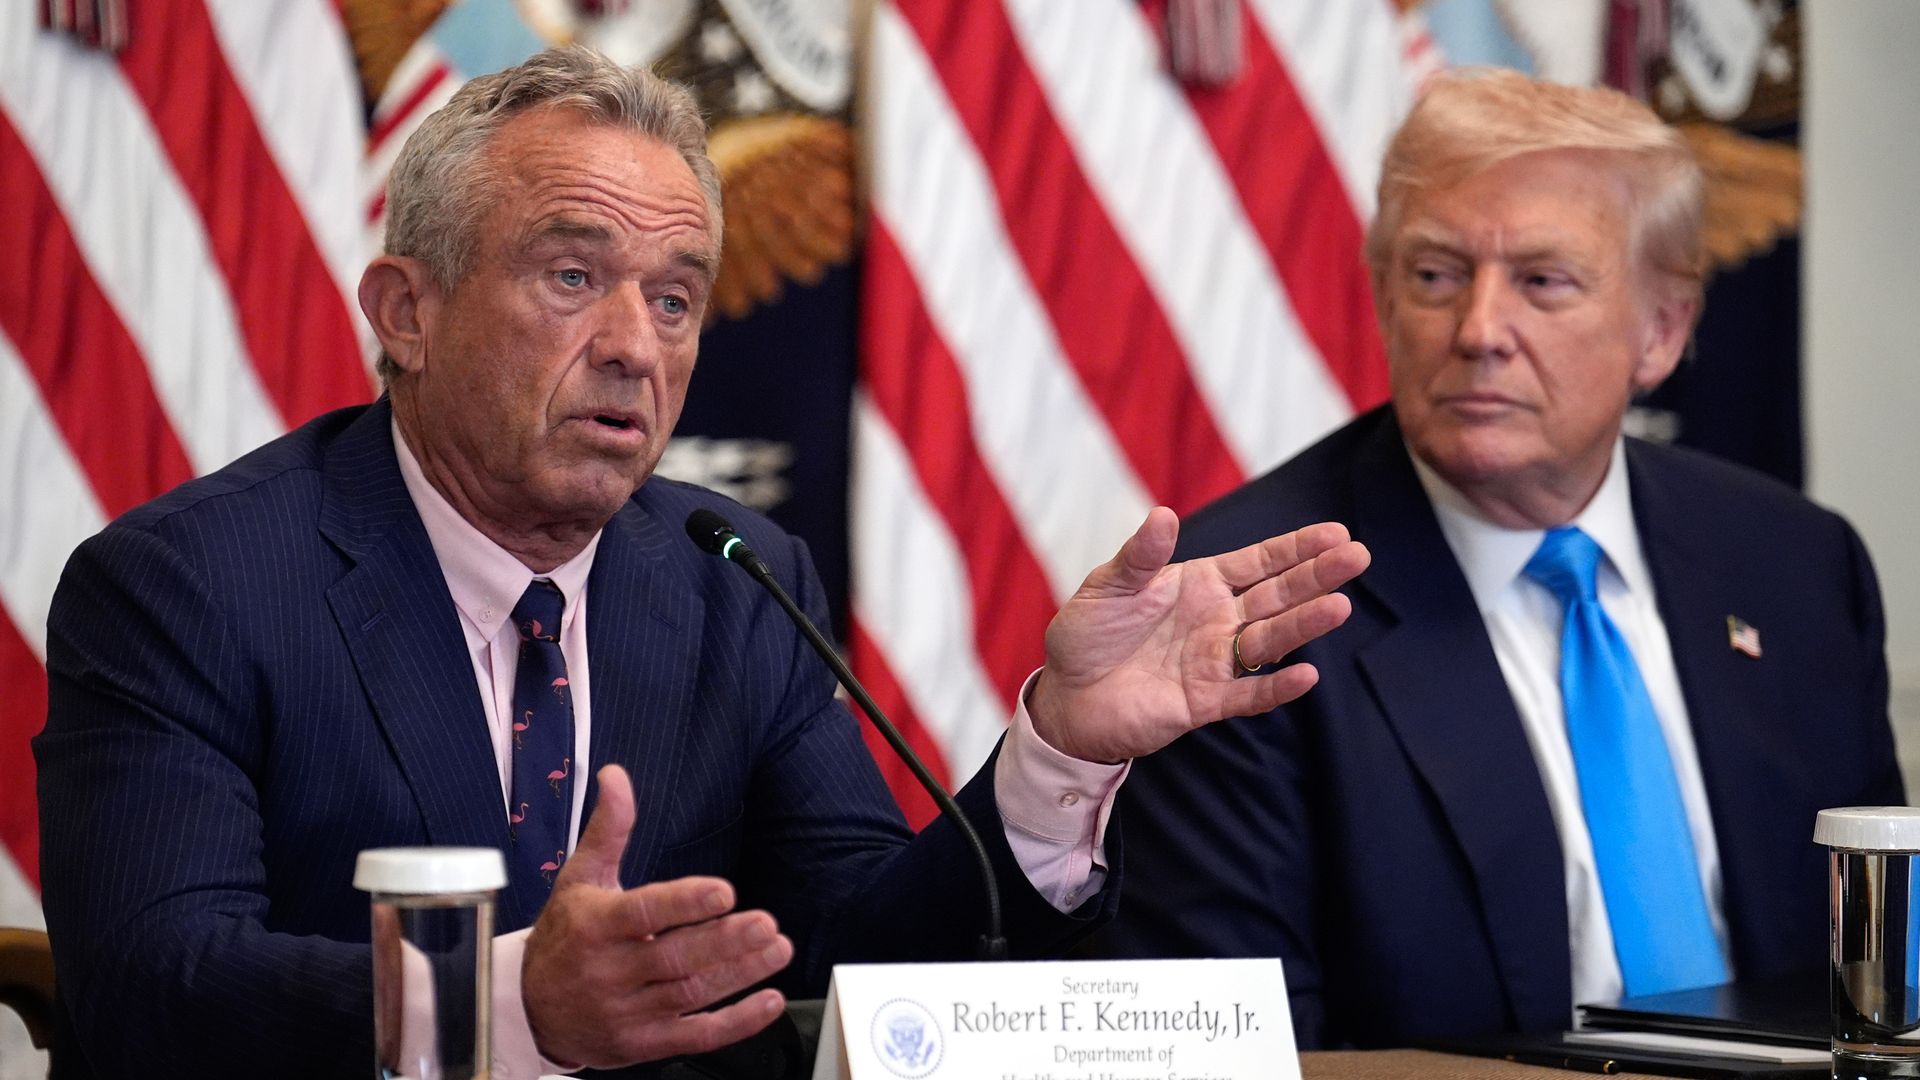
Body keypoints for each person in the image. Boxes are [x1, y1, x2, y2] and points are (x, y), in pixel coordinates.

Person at [33, 47, 1369, 1079]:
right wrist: (510, 1006)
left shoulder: (731, 576)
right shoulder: (188, 586)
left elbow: (852, 959)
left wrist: (1061, 752)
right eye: (571, 276)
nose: (636, 344)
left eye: (674, 297)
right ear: (408, 312)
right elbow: (154, 985)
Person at [1091, 68, 1904, 1048]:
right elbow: (1253, 1056)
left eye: (1542, 282)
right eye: (1435, 276)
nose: (1478, 332)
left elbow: (1879, 983)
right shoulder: (1251, 606)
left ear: (1663, 329)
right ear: (1386, 303)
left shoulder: (1797, 567)